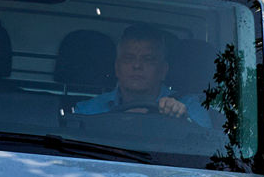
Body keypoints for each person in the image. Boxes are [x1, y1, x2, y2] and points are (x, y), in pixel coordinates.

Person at [73, 23, 210, 125]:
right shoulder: (87, 110)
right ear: (116, 68)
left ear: (163, 70)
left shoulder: (190, 107)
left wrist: (183, 120)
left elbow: (206, 149)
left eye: (148, 59)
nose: (137, 66)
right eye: (128, 58)